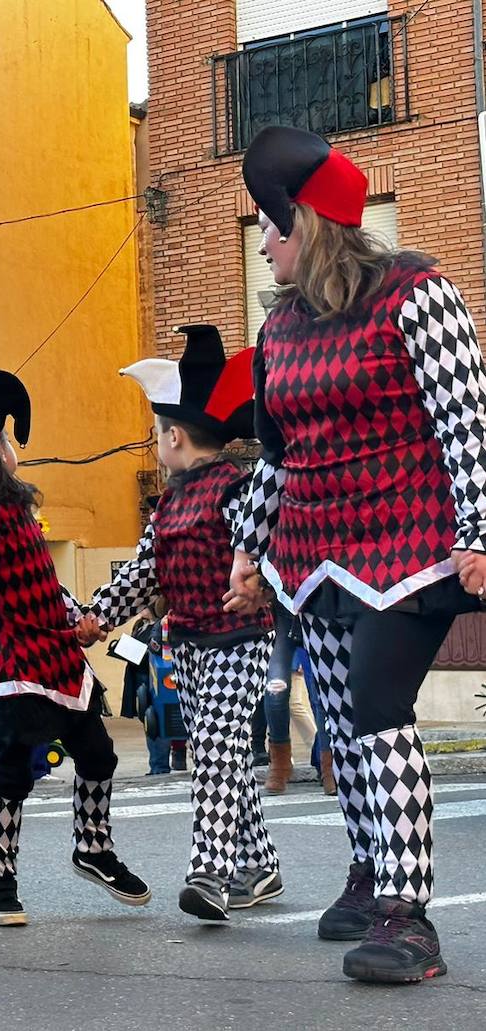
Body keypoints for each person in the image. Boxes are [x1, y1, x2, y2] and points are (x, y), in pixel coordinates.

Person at [227, 126, 486, 983]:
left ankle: (409, 919)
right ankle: (372, 864)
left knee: (377, 708)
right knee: (344, 727)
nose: (262, 243)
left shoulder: (417, 291)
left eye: (269, 225)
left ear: (306, 224)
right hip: (316, 552)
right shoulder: (281, 331)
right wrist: (245, 554)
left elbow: (465, 420)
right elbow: (278, 456)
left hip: (408, 544)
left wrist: (477, 529)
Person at [0, 370, 151, 928]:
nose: (13, 449)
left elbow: (42, 578)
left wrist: (79, 613)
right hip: (9, 664)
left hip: (56, 657)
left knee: (99, 755)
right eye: (5, 440)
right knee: (12, 772)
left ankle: (93, 847)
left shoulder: (17, 509)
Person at [87, 326, 278, 921]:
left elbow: (269, 545)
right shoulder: (169, 502)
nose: (154, 444)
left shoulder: (237, 488)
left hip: (239, 639)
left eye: (155, 434)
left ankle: (209, 872)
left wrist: (262, 584)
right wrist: (95, 618)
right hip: (189, 645)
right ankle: (260, 866)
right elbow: (144, 573)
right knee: (217, 755)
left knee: (218, 752)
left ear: (173, 435)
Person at [263, 603, 331, 794]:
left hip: (316, 608)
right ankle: (280, 764)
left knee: (320, 696)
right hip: (285, 614)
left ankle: (329, 767)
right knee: (275, 692)